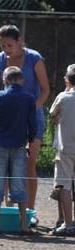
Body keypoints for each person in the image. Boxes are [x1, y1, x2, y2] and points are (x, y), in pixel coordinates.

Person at [0, 25, 49, 218]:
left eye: (10, 44)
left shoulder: (34, 58)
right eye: (2, 45)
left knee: (28, 163)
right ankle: (9, 211)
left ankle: (29, 213)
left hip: (32, 117)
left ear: (19, 40)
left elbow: (45, 90)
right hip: (5, 120)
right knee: (4, 164)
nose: (6, 49)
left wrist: (31, 110)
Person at [0, 67, 37, 235]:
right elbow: (33, 123)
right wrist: (30, 140)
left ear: (5, 81)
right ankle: (24, 225)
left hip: (0, 144)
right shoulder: (29, 98)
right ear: (22, 80)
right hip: (20, 145)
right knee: (19, 184)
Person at [49, 64, 75, 236]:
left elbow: (52, 113)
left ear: (67, 79)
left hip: (66, 148)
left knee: (64, 185)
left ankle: (68, 223)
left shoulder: (63, 96)